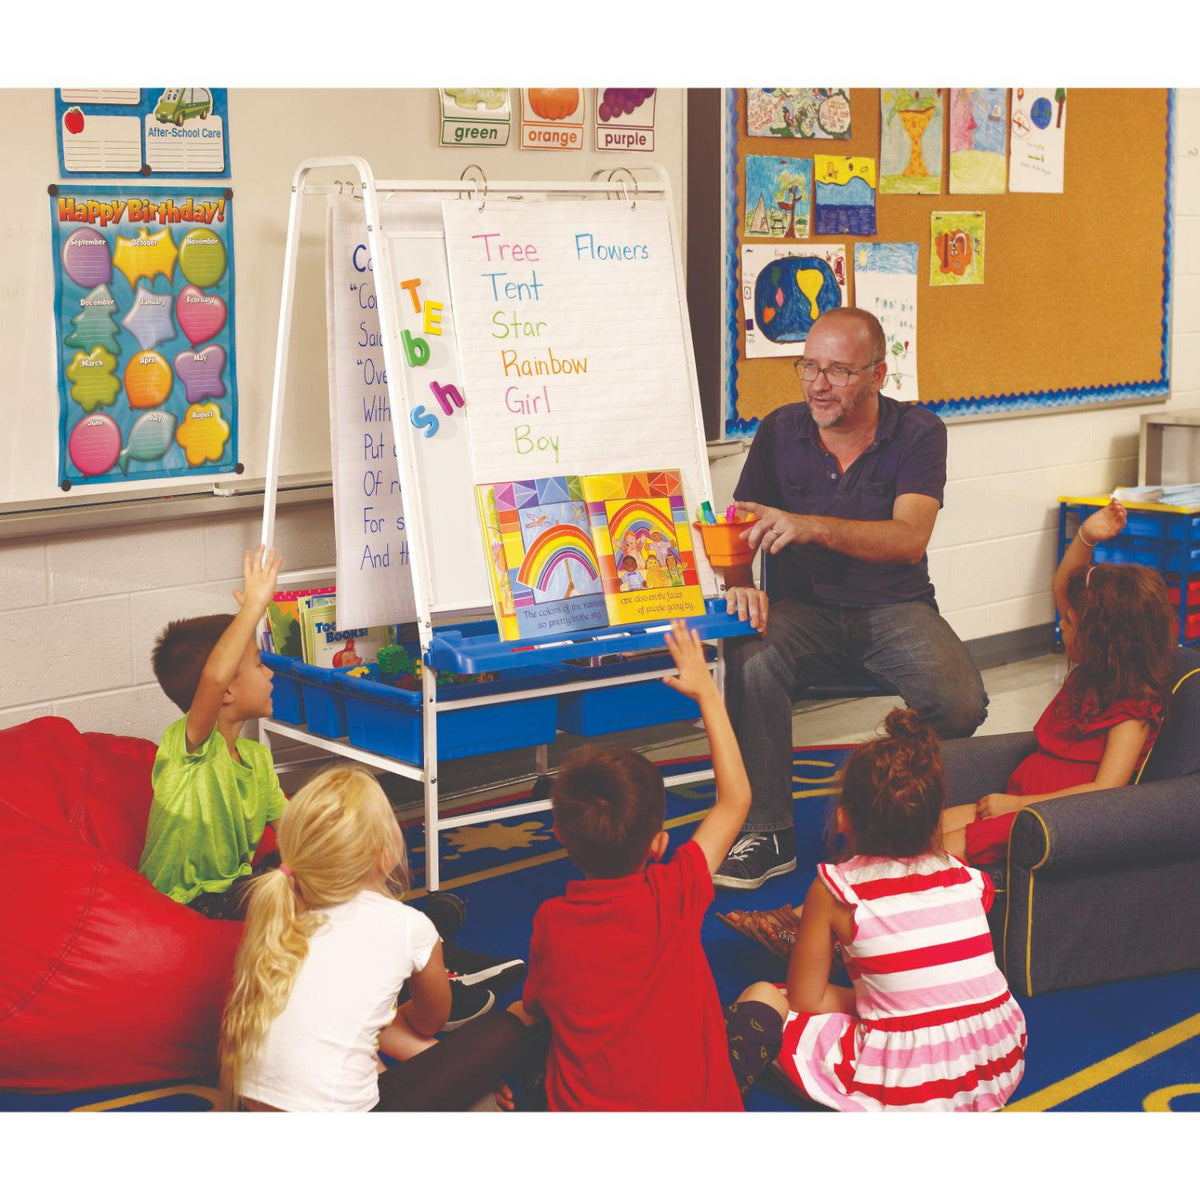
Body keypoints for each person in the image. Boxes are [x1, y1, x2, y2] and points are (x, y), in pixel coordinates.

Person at [716, 306, 987, 890]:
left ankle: (898, 816)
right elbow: (739, 526)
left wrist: (812, 526)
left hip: (896, 608)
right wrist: (741, 584)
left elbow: (909, 539)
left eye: (838, 371)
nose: (818, 383)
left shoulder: (919, 432)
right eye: (808, 366)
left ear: (878, 375)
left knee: (961, 702)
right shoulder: (779, 430)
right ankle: (766, 832)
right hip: (800, 614)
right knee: (749, 657)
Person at [726, 708, 1026, 1111]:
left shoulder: (835, 889)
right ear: (936, 820)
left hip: (910, 1081)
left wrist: (875, 1000)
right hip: (994, 1056)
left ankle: (714, 1095)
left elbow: (805, 999)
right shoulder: (964, 875)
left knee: (766, 995)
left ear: (843, 818)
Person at [516, 618, 751, 1110]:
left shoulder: (551, 922)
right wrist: (709, 696)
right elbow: (735, 800)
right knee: (766, 998)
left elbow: (535, 1008)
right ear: (659, 845)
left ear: (558, 836)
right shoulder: (676, 890)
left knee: (518, 1029)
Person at [219, 765, 526, 1111]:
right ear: (387, 852)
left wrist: (446, 1068)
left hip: (256, 1108)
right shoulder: (410, 926)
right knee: (506, 1030)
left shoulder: (281, 915)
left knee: (373, 1020)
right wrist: (464, 1073)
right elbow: (431, 1021)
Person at [940, 498, 1175, 864]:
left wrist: (1019, 805)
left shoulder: (1132, 715)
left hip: (1039, 819)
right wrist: (1086, 537)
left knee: (928, 855)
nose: (1061, 623)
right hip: (1010, 805)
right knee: (911, 830)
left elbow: (1105, 791)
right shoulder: (1094, 674)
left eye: (1069, 621)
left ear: (1101, 641)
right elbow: (1063, 586)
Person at [139, 545, 288, 919]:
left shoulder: (257, 760)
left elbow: (294, 830)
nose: (270, 673)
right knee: (279, 894)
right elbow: (215, 676)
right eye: (259, 666)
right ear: (226, 692)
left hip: (235, 890)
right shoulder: (190, 748)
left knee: (313, 867)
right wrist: (252, 610)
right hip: (185, 901)